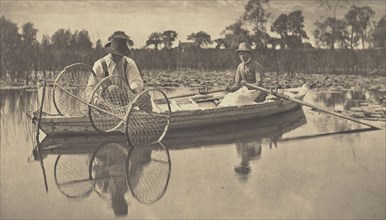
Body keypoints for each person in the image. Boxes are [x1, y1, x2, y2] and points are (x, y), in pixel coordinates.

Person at [86, 33, 144, 106]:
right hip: (104, 103)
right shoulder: (100, 64)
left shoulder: (129, 63)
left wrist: (133, 89)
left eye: (119, 55)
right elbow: (90, 88)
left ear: (124, 54)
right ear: (110, 52)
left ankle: (148, 114)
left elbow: (136, 81)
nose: (116, 58)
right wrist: (96, 101)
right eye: (114, 55)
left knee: (145, 95)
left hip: (126, 100)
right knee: (113, 89)